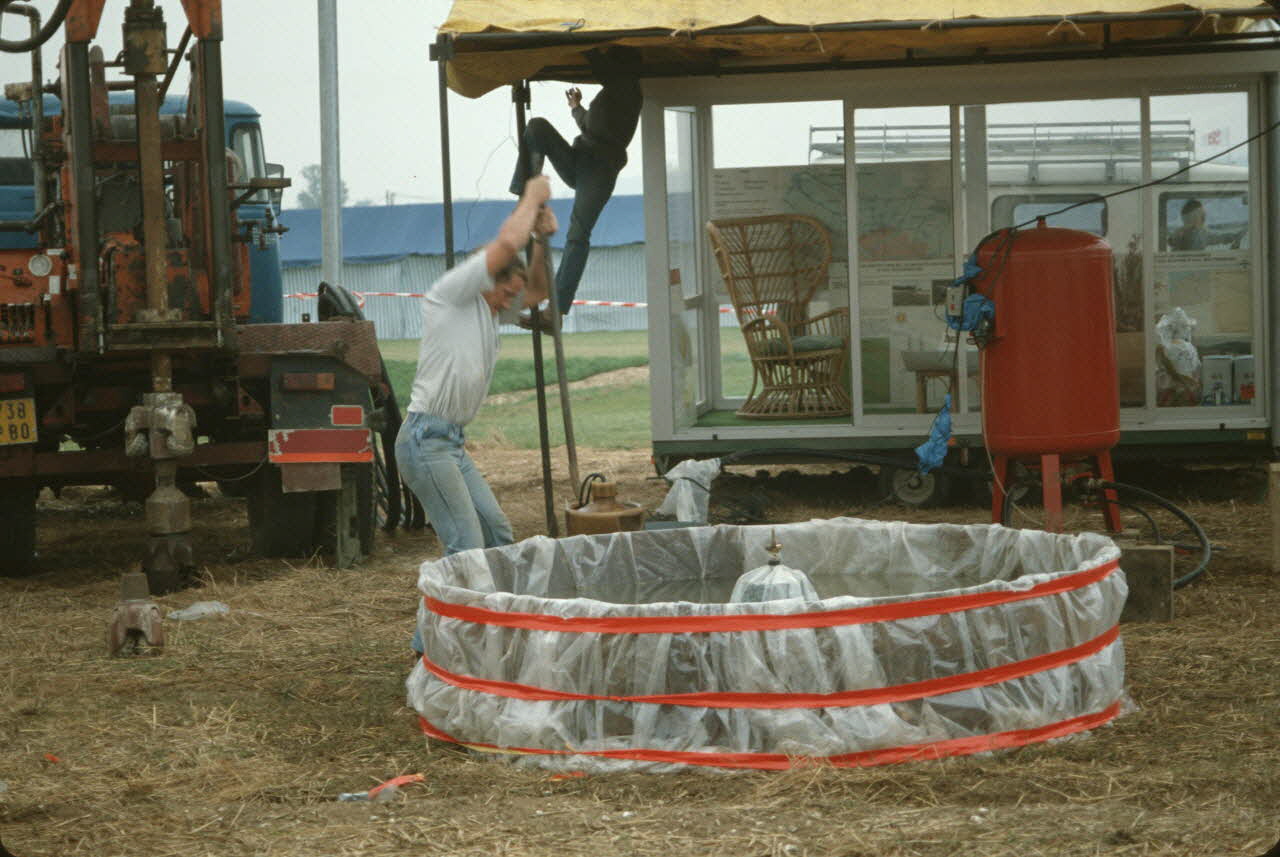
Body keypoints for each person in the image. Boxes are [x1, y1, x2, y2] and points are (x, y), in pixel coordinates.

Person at [396, 175, 557, 560]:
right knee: (465, 549)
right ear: (487, 280)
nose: (509, 303)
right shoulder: (453, 294)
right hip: (425, 439)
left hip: (450, 441)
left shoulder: (487, 309)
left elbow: (539, 290)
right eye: (506, 293)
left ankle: (490, 617)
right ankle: (441, 622)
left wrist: (543, 240)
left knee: (496, 533)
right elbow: (505, 244)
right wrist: (533, 197)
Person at [508, 47, 642, 327]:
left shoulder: (628, 88)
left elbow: (603, 70)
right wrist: (576, 108)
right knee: (537, 127)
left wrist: (586, 43)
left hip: (599, 170)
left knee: (578, 234)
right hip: (580, 158)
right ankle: (525, 195)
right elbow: (591, 126)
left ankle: (556, 310)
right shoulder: (612, 93)